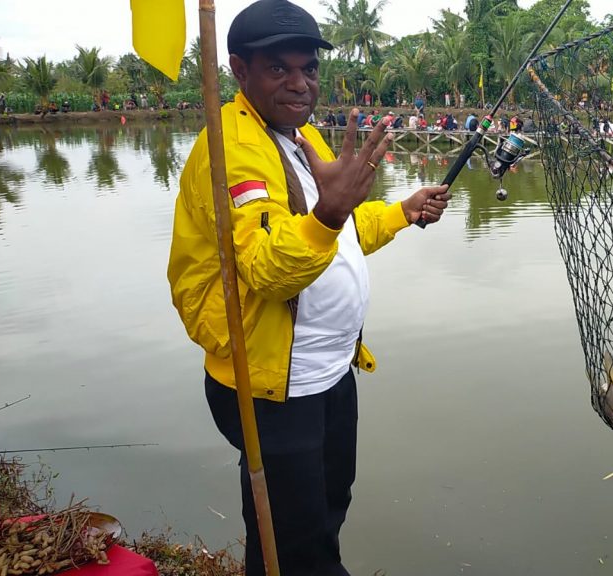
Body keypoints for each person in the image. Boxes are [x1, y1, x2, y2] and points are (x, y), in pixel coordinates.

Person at [165, 2, 451, 575]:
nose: (300, 84)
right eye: (279, 69)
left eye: (309, 69)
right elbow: (269, 268)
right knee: (299, 543)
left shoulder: (300, 135)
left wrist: (400, 211)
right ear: (240, 71)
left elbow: (337, 233)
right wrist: (329, 211)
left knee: (319, 513)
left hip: (328, 371)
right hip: (270, 384)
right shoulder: (235, 149)